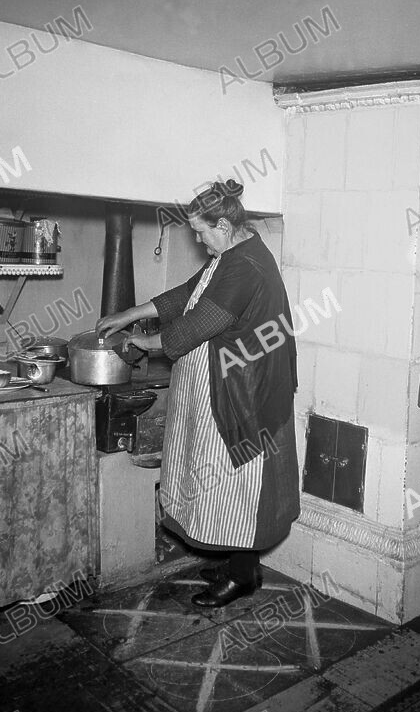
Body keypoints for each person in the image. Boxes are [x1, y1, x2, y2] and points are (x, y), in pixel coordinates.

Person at [96, 180, 300, 607]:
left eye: (202, 232)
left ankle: (243, 575)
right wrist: (128, 314)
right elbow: (187, 294)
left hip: (241, 395)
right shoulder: (233, 253)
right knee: (221, 484)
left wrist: (140, 342)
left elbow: (196, 325)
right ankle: (236, 565)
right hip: (222, 384)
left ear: (223, 225)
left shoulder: (246, 266)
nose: (198, 239)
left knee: (234, 485)